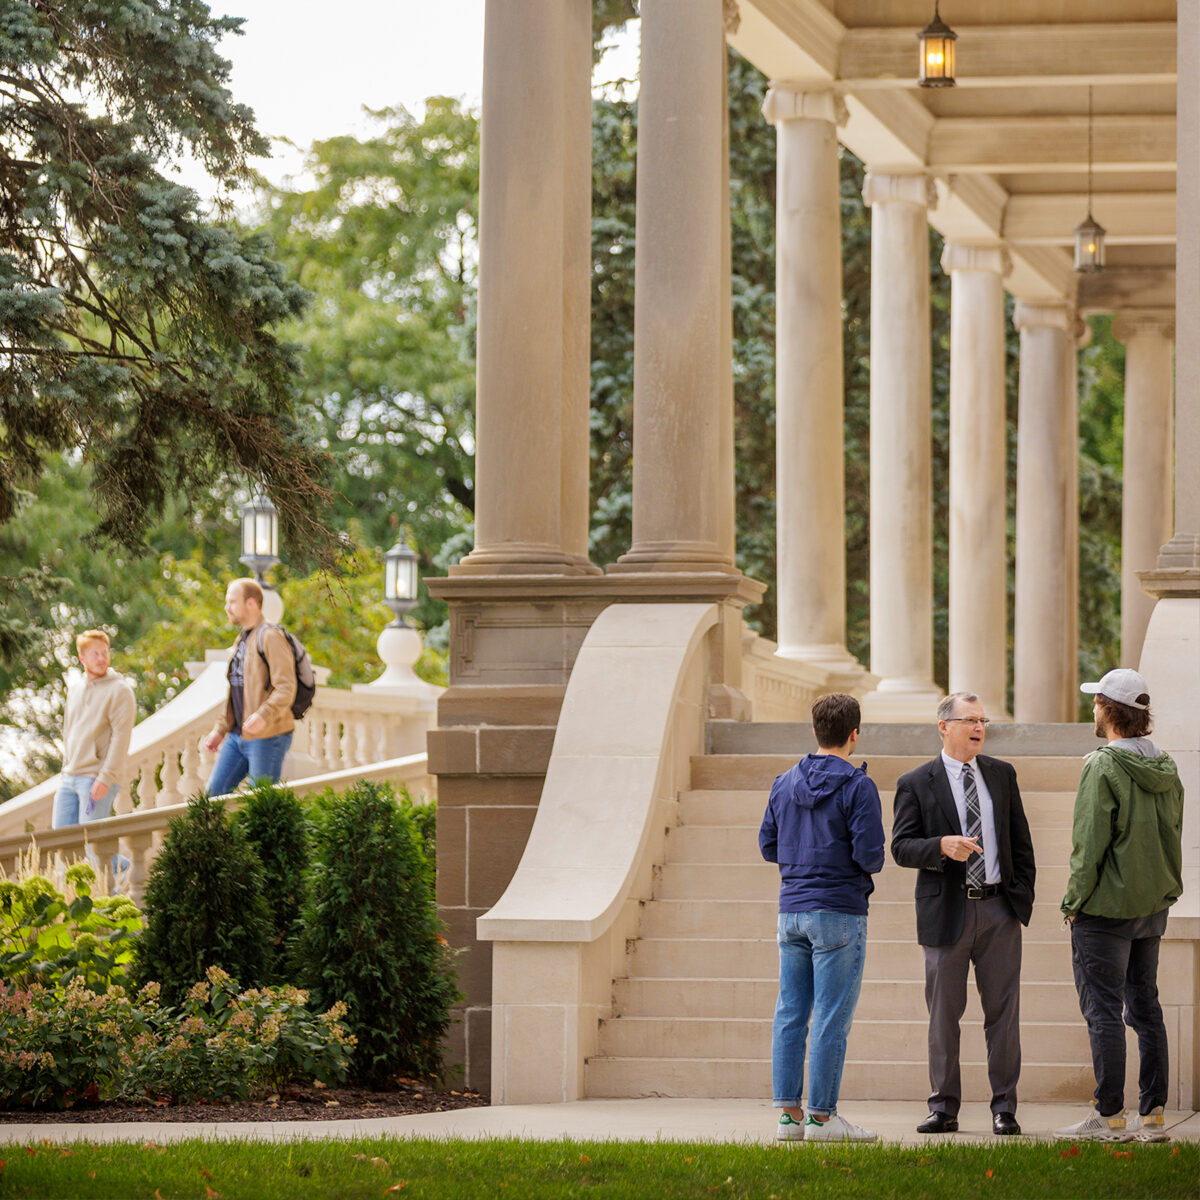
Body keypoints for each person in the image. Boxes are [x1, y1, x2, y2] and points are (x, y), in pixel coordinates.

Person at [891, 692, 1036, 1136]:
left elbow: (1021, 843)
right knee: (943, 1016)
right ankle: (943, 1107)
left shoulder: (1001, 774)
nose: (979, 727)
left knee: (1003, 1013)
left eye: (983, 720)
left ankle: (1004, 1108)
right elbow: (899, 846)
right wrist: (939, 847)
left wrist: (1019, 896)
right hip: (947, 914)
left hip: (997, 910)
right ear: (944, 726)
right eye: (969, 720)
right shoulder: (916, 782)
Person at [1054, 668, 1184, 1145]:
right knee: (1145, 1007)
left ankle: (1109, 1117)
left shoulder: (1102, 765)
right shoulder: (1166, 766)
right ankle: (1152, 1116)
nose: (1093, 709)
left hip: (1105, 910)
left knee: (1105, 1011)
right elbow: (1174, 836)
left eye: (1096, 702)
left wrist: (1073, 902)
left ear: (1110, 710)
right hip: (1151, 906)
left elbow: (1089, 844)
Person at [759, 692, 885, 1143]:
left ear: (816, 731)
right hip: (838, 911)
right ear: (854, 734)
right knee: (832, 1018)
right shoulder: (857, 785)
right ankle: (822, 1118)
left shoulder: (783, 781)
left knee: (790, 1014)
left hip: (790, 909)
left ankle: (789, 1118)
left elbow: (768, 846)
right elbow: (871, 857)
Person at [203, 578, 296, 796]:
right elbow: (235, 692)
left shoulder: (270, 636)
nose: (227, 608)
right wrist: (221, 729)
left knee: (261, 804)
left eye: (232, 602)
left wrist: (264, 714)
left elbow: (286, 686)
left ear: (251, 603)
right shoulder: (241, 640)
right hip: (236, 737)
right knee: (212, 797)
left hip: (268, 736)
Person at [54, 629, 136, 833]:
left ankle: (122, 867)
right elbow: (68, 733)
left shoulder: (120, 690)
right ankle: (122, 867)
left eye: (105, 652)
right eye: (95, 654)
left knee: (94, 846)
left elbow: (121, 738)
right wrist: (65, 769)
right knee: (61, 842)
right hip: (70, 776)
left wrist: (105, 778)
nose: (102, 658)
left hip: (95, 777)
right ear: (82, 658)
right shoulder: (75, 690)